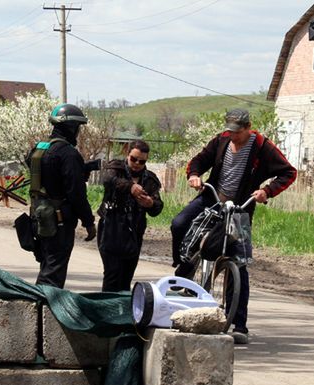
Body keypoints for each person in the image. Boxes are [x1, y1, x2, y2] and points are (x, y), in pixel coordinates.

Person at [171, 108, 297, 344]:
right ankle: (184, 264)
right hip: (211, 198)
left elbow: (289, 173)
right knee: (179, 223)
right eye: (230, 131)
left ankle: (240, 325)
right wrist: (195, 175)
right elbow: (198, 160)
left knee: (239, 263)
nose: (233, 136)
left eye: (237, 132)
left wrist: (266, 191)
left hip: (240, 208)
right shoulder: (221, 140)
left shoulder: (262, 147)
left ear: (248, 128)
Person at [26, 103, 98, 288]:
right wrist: (88, 222)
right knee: (53, 276)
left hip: (39, 218)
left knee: (46, 266)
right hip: (58, 223)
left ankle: (39, 309)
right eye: (78, 128)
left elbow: (49, 177)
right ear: (72, 128)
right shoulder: (68, 154)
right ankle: (44, 311)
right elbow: (76, 194)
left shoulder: (39, 149)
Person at [97, 140, 163, 292]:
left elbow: (157, 206)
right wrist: (130, 187)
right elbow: (108, 180)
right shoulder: (116, 168)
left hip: (134, 232)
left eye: (142, 161)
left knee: (126, 278)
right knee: (112, 276)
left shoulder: (150, 179)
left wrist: (150, 204)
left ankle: (123, 312)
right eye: (134, 159)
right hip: (111, 228)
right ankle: (107, 311)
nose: (137, 164)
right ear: (128, 154)